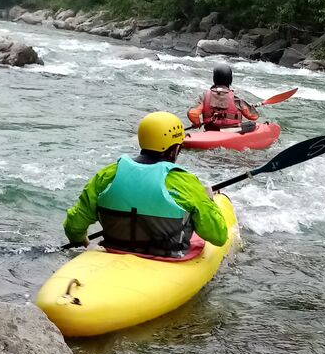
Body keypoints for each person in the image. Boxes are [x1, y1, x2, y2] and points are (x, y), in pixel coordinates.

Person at [62, 112, 228, 256]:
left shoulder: (108, 174)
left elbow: (74, 226)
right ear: (175, 149)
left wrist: (85, 244)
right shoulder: (186, 182)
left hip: (112, 253)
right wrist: (209, 201)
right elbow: (218, 236)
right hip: (167, 260)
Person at [188, 62, 259, 131]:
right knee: (251, 125)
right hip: (232, 132)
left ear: (214, 79)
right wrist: (252, 108)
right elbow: (254, 116)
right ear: (230, 79)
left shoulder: (204, 96)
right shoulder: (235, 97)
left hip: (211, 131)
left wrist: (197, 123)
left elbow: (192, 113)